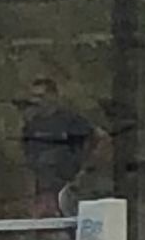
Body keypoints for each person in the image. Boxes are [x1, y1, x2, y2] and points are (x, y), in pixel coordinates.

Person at [20, 77, 104, 220]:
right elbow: (27, 157)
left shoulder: (70, 120)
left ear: (53, 96)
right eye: (33, 97)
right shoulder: (32, 125)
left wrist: (86, 170)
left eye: (41, 96)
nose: (36, 101)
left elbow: (101, 138)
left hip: (68, 187)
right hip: (43, 189)